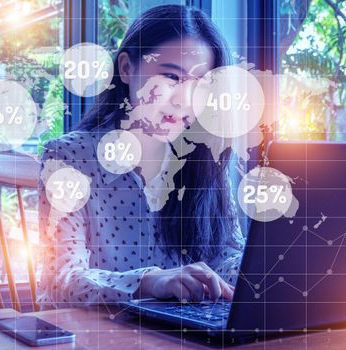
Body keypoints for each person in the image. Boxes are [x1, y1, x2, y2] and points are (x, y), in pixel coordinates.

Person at [37, 4, 245, 309]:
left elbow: (225, 256)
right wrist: (150, 281)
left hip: (176, 334)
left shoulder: (204, 160)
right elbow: (61, 281)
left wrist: (268, 271)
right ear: (126, 68)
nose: (184, 101)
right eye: (172, 77)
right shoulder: (68, 158)